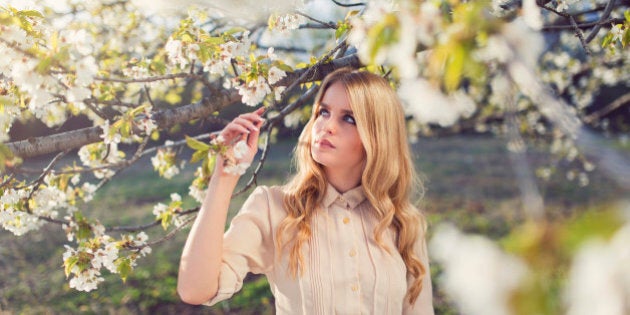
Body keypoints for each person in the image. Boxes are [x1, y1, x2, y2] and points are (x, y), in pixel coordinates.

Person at [177, 68, 434, 314]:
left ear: (378, 136)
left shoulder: (403, 222)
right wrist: (224, 175)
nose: (327, 126)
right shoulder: (273, 207)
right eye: (323, 112)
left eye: (348, 118)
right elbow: (195, 290)